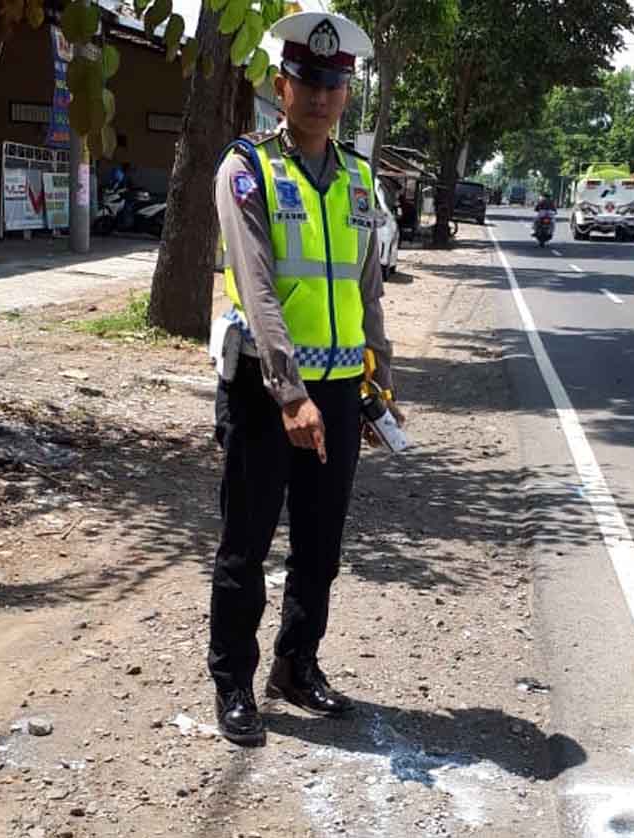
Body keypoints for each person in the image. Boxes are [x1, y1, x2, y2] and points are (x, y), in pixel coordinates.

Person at [208, 10, 401, 748]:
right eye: (306, 80)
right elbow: (256, 288)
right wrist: (289, 392)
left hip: (341, 387)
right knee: (246, 544)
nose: (321, 96)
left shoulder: (358, 179)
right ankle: (233, 682)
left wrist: (379, 373)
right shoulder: (247, 169)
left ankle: (296, 664)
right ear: (281, 86)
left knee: (320, 544)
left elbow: (367, 287)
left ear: (346, 92)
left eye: (334, 83)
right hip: (266, 389)